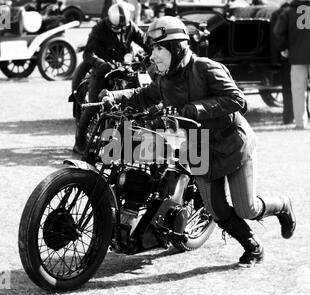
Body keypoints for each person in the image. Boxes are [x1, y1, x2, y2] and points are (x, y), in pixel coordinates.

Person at [99, 16, 296, 267]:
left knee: (247, 208)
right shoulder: (165, 78)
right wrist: (115, 97)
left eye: (159, 48)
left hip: (232, 144)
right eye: (152, 49)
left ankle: (282, 205)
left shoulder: (205, 68)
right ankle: (253, 247)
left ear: (176, 47)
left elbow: (238, 100)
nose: (153, 55)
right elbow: (145, 95)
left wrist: (197, 109)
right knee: (217, 209)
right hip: (198, 144)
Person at [73, 2, 148, 153]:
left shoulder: (131, 26)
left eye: (123, 27)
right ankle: (79, 142)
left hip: (123, 68)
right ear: (109, 21)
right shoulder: (99, 28)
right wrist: (100, 63)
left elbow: (145, 41)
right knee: (93, 106)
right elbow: (88, 53)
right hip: (102, 71)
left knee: (137, 100)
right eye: (116, 28)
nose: (120, 30)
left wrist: (153, 53)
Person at [273, 0, 310, 129]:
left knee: (298, 91)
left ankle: (300, 123)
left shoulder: (288, 11)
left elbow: (278, 33)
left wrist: (284, 48)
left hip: (297, 56)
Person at [270, 0, 294, 125]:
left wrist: (283, 49)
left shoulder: (282, 13)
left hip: (289, 56)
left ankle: (289, 117)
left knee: (289, 88)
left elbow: (276, 34)